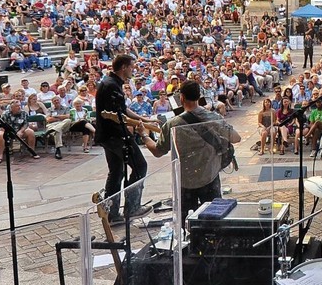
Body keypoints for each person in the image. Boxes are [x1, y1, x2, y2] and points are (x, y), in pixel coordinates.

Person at [142, 80, 241, 219]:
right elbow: (236, 138)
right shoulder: (212, 117)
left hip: (185, 180)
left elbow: (158, 151)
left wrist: (144, 135)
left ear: (181, 97)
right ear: (199, 96)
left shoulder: (172, 124)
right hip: (209, 175)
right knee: (213, 218)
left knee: (187, 221)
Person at [95, 54, 156, 224]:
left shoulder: (112, 83)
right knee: (140, 165)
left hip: (108, 135)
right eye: (131, 67)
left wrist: (144, 119)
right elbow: (118, 116)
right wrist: (141, 125)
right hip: (116, 135)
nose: (133, 70)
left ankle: (112, 215)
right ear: (123, 67)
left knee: (116, 172)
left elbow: (123, 109)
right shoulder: (111, 86)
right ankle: (132, 208)